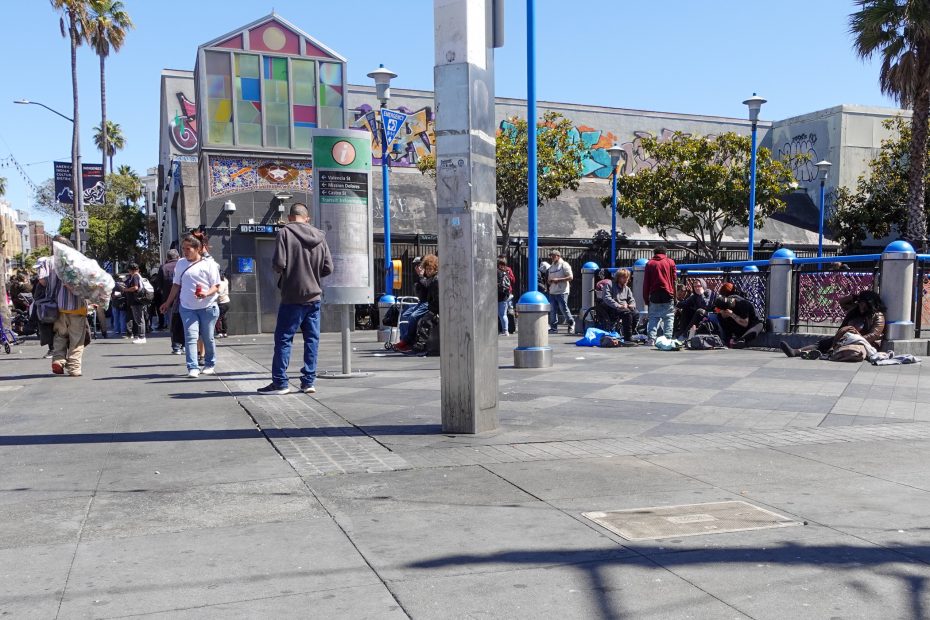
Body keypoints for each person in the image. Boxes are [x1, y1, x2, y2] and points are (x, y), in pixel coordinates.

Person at [258, 203, 333, 395]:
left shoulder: (285, 233)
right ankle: (308, 382)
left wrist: (289, 272)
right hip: (314, 296)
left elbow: (278, 263)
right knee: (312, 340)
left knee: (284, 339)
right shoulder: (320, 236)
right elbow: (328, 268)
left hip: (292, 296)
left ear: (291, 217)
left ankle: (280, 383)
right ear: (306, 218)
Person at [158, 234, 221, 378]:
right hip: (186, 307)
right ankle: (193, 367)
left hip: (208, 306)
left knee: (207, 337)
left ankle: (210, 364)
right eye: (183, 249)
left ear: (198, 249)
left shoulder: (209, 264)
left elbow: (216, 285)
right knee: (190, 337)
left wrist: (206, 293)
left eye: (188, 249)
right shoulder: (180, 263)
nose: (185, 252)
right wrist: (167, 303)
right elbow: (176, 285)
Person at [779, 290, 886, 359]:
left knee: (835, 342)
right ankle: (796, 352)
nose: (861, 307)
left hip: (864, 343)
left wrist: (855, 338)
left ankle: (827, 353)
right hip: (845, 339)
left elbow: (873, 336)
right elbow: (842, 302)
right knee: (822, 343)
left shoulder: (878, 316)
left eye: (864, 304)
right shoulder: (855, 310)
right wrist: (855, 297)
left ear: (870, 304)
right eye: (860, 303)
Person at [46, 238, 88, 377]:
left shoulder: (52, 262)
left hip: (59, 308)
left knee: (60, 336)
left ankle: (58, 360)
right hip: (77, 307)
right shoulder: (76, 261)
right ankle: (74, 368)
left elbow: (50, 287)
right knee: (76, 339)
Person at [642, 245, 677, 344]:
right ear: (665, 253)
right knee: (669, 316)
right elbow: (675, 281)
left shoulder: (650, 263)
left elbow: (646, 283)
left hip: (654, 294)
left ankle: (651, 339)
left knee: (653, 317)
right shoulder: (670, 262)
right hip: (668, 293)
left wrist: (646, 299)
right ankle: (668, 338)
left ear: (655, 253)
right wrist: (675, 296)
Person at [598, 268, 637, 341]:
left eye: (627, 278)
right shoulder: (610, 285)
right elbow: (607, 298)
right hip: (613, 308)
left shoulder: (627, 288)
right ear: (618, 278)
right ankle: (628, 337)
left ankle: (630, 333)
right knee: (626, 313)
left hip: (625, 307)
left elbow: (631, 299)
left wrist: (632, 305)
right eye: (624, 278)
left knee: (636, 313)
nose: (626, 280)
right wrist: (618, 305)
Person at [156, 250, 183, 353]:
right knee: (185, 323)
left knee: (173, 323)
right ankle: (184, 345)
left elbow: (159, 285)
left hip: (169, 300)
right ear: (178, 256)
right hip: (184, 299)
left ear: (167, 258)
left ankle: (176, 346)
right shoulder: (183, 265)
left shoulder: (163, 267)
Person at [547, 251, 574, 333]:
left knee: (564, 309)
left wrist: (558, 280)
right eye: (551, 256)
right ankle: (553, 328)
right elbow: (549, 279)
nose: (551, 257)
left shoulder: (564, 265)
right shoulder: (551, 267)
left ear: (558, 256)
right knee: (552, 310)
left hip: (562, 291)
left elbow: (570, 277)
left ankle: (571, 323)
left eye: (553, 256)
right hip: (553, 291)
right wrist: (550, 281)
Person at [122, 263, 147, 344]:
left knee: (139, 319)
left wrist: (126, 290)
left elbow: (135, 287)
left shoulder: (135, 276)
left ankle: (142, 336)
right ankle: (141, 336)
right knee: (139, 318)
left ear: (131, 270)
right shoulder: (138, 276)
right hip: (137, 300)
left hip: (136, 300)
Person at [497, 257, 516, 336]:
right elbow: (513, 281)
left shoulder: (497, 272)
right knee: (504, 314)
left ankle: (503, 330)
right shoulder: (507, 272)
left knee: (501, 314)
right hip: (506, 295)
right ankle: (506, 330)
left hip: (498, 295)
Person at [215, 272, 231, 338]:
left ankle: (219, 332)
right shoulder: (225, 280)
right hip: (227, 302)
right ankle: (225, 332)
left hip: (222, 303)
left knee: (217, 317)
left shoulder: (221, 283)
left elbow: (219, 292)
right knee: (223, 317)